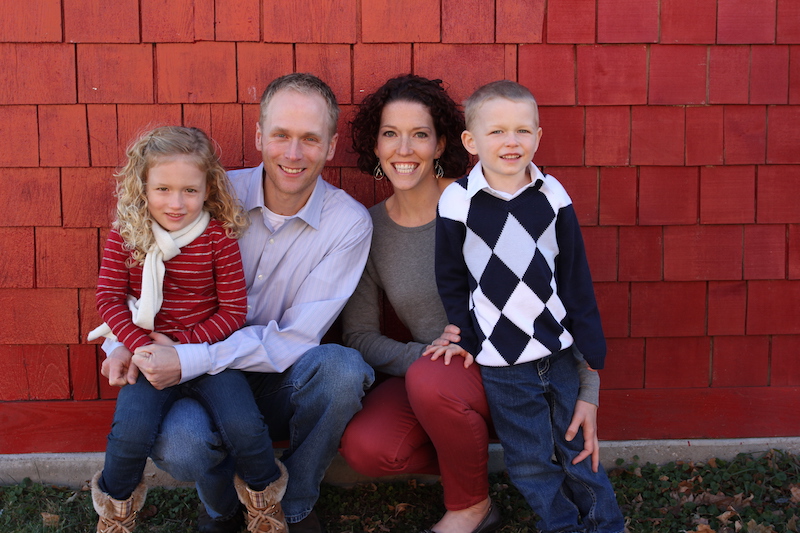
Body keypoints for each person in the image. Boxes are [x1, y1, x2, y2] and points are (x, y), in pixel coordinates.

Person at [100, 74, 374, 533]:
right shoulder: (196, 193)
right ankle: (223, 511)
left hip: (276, 374)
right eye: (281, 135)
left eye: (310, 139)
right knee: (184, 444)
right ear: (259, 137)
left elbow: (296, 338)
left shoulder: (347, 223)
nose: (292, 153)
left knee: (342, 372)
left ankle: (293, 506)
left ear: (330, 146)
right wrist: (125, 347)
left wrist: (185, 355)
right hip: (194, 371)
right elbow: (132, 279)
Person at [339, 74, 602, 533]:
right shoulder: (369, 230)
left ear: (442, 144)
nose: (404, 149)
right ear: (375, 147)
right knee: (369, 446)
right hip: (440, 376)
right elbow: (360, 335)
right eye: (390, 134)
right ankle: (480, 467)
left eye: (420, 134)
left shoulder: (485, 204)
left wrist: (588, 389)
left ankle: (470, 506)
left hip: (520, 366)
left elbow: (562, 290)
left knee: (432, 380)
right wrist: (426, 354)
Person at [426, 80, 625, 533]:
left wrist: (590, 346)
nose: (511, 141)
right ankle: (560, 525)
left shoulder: (552, 195)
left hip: (558, 349)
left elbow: (574, 273)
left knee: (577, 447)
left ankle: (605, 523)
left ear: (538, 136)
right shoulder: (458, 201)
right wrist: (466, 333)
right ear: (471, 142)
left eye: (522, 130)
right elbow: (452, 277)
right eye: (496, 132)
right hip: (503, 363)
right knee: (530, 458)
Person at [88, 126, 290, 533]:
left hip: (208, 356)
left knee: (246, 429)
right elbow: (108, 299)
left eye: (189, 191)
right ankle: (115, 517)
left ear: (208, 188)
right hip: (146, 356)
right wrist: (140, 346)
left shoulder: (217, 237)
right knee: (128, 436)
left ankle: (264, 507)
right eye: (162, 189)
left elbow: (233, 311)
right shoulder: (127, 236)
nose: (176, 203)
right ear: (142, 186)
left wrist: (181, 347)